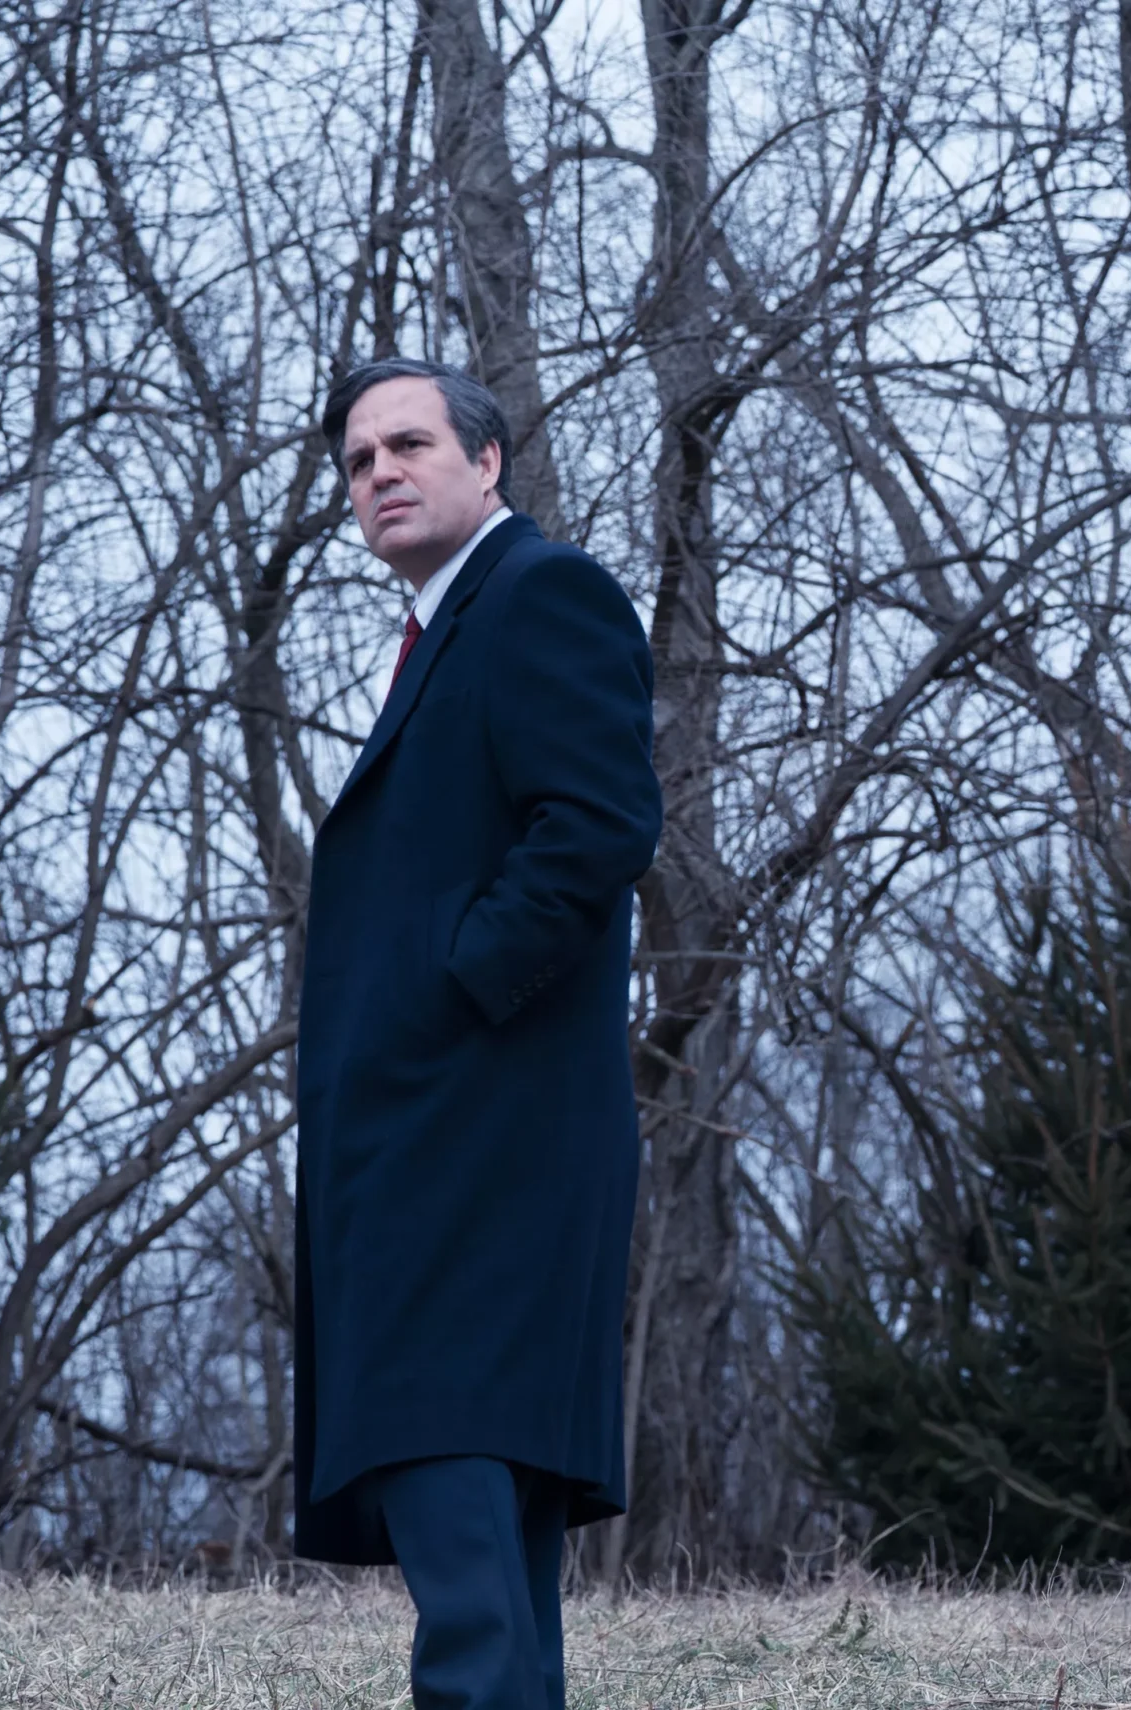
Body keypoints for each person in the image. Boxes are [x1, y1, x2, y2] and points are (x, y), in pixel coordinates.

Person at [291, 357, 661, 1710]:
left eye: (409, 444)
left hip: (485, 1129)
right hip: (455, 1133)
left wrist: (449, 994)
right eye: (357, 461)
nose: (378, 473)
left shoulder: (537, 592)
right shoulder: (450, 623)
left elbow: (600, 823)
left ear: (487, 460)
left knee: (447, 1444)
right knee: (485, 1492)